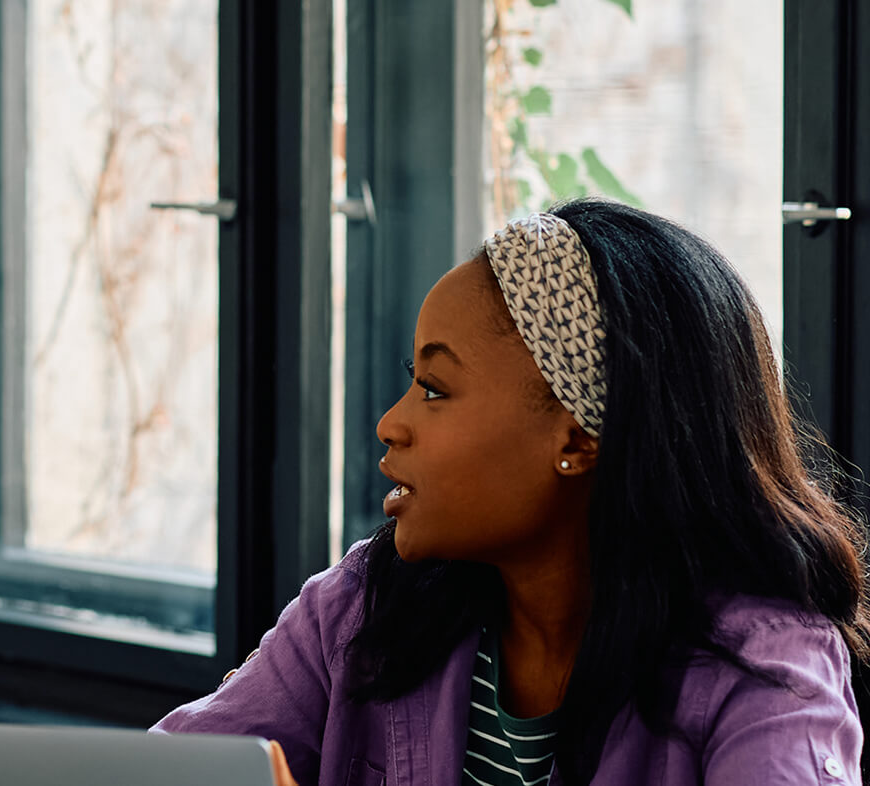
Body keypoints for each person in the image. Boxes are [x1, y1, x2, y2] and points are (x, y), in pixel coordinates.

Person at [157, 199, 867, 785]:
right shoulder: (356, 611)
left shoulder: (768, 668)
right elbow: (161, 771)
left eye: (434, 389)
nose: (390, 423)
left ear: (579, 438)